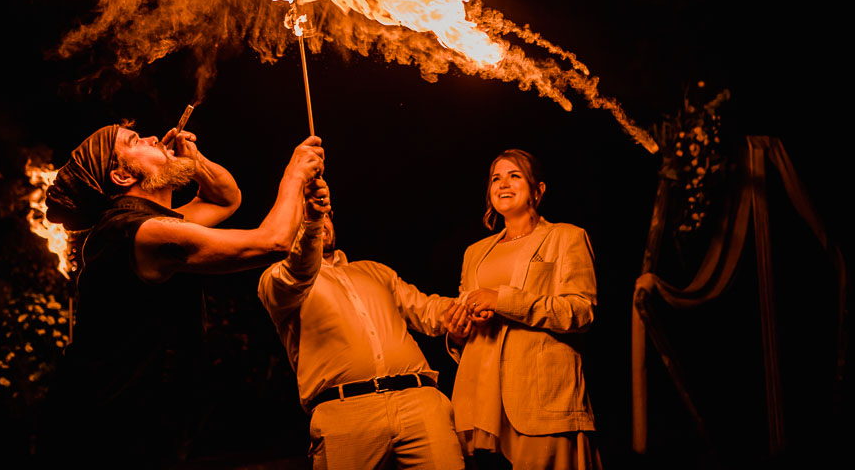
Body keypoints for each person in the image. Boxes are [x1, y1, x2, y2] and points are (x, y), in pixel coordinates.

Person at [41, 121, 324, 468]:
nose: (153, 137)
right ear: (121, 176)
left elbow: (225, 199)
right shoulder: (140, 233)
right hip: (107, 433)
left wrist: (195, 159)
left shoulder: (152, 221)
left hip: (140, 425)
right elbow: (273, 242)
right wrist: (295, 174)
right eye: (135, 140)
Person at [258, 180, 467, 469]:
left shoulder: (374, 271)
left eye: (325, 215)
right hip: (344, 412)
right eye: (306, 216)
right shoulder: (278, 280)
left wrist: (469, 305)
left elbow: (427, 310)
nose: (322, 220)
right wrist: (313, 221)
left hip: (419, 401)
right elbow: (298, 270)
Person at [443, 149, 602, 470]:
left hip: (540, 398)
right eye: (496, 178)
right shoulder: (474, 253)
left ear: (538, 190)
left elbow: (581, 311)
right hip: (480, 401)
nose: (503, 184)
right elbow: (470, 319)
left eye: (514, 175)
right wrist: (459, 330)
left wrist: (501, 300)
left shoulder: (566, 237)